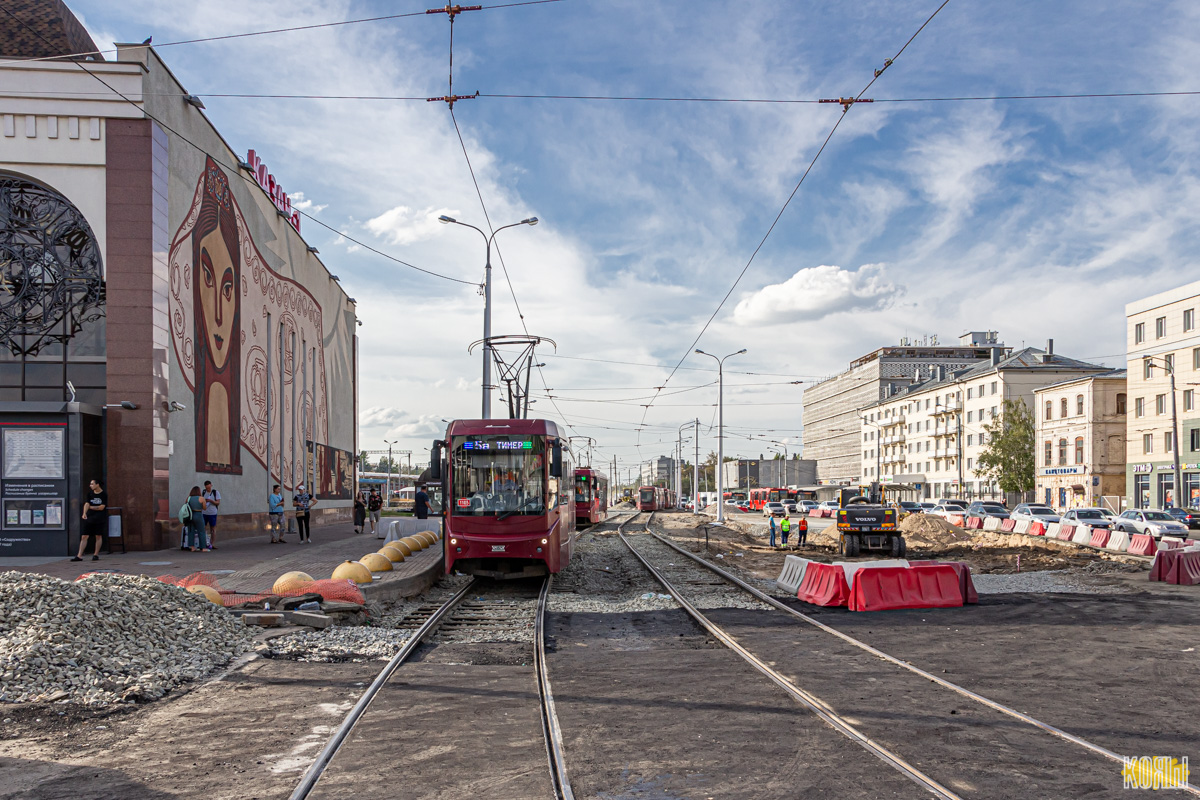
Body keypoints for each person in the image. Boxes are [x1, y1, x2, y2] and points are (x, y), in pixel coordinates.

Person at [71, 478, 108, 562]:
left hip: (99, 518)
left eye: (92, 484)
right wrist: (84, 513)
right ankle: (79, 555)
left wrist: (91, 507)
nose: (90, 485)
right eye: (90, 484)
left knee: (98, 535)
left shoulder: (103, 494)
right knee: (84, 536)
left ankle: (96, 554)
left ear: (97, 484)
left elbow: (101, 507)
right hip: (90, 517)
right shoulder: (90, 494)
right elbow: (87, 504)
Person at [183, 486, 208, 552]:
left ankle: (192, 547)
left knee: (191, 531)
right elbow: (204, 508)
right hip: (198, 514)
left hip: (190, 515)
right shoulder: (201, 498)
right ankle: (203, 547)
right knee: (201, 531)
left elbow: (185, 506)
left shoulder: (188, 498)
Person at [202, 480, 221, 549]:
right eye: (207, 488)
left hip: (212, 513)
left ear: (211, 485)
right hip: (204, 513)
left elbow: (218, 502)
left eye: (209, 488)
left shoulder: (215, 492)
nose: (208, 489)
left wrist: (211, 501)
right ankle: (204, 542)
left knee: (212, 528)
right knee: (203, 528)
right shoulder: (203, 492)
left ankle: (212, 543)